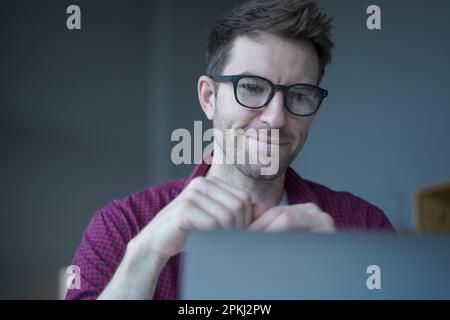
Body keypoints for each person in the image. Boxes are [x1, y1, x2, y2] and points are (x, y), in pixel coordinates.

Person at [65, 0, 394, 300]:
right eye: (251, 88)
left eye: (299, 95)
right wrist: (146, 256)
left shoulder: (364, 226)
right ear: (209, 98)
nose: (276, 117)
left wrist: (341, 278)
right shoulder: (121, 226)